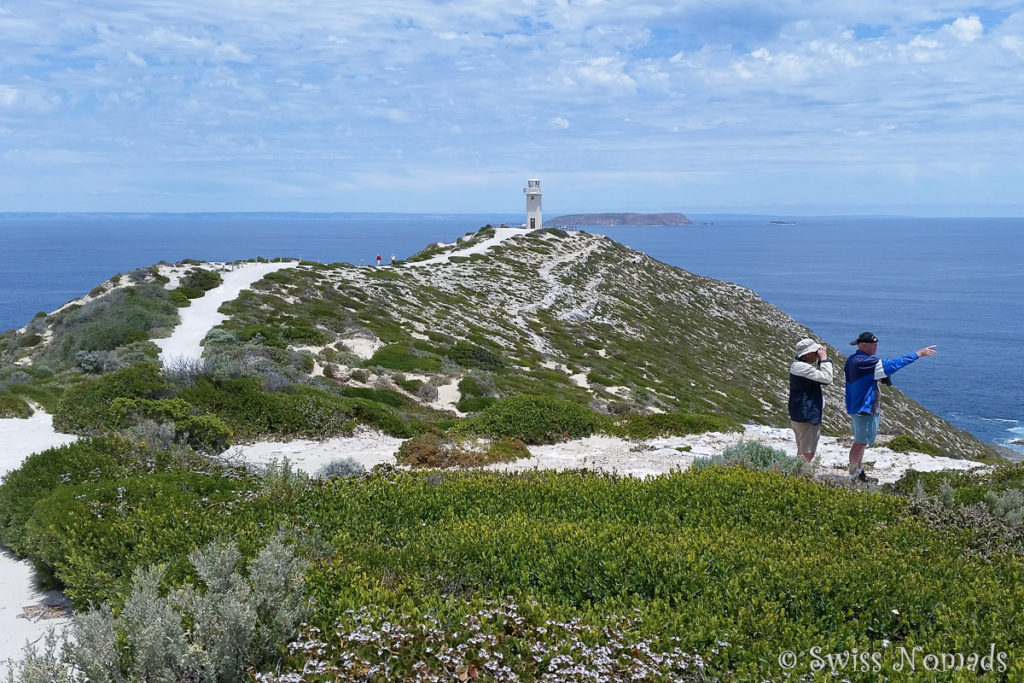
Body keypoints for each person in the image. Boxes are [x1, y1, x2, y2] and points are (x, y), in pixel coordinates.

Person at [844, 331, 937, 481]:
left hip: (856, 405)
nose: (877, 348)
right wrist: (918, 354)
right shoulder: (865, 363)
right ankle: (853, 475)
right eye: (874, 345)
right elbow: (893, 364)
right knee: (860, 443)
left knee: (860, 441)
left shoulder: (853, 359)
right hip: (864, 408)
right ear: (863, 345)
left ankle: (857, 472)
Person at [788, 338, 833, 462]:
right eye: (815, 352)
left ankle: (796, 475)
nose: (817, 353)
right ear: (807, 354)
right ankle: (800, 477)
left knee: (802, 448)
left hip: (798, 412)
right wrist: (824, 359)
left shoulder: (797, 365)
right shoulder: (803, 368)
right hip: (807, 414)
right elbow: (827, 378)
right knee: (808, 452)